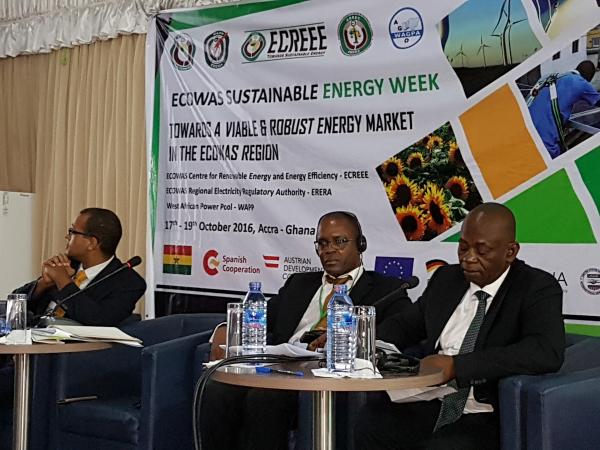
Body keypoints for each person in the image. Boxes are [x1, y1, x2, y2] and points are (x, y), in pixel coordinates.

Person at [354, 203, 565, 450]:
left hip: (486, 410)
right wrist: (359, 338)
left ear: (510, 252)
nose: (468, 258)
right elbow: (406, 324)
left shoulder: (535, 287)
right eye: (463, 247)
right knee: (371, 424)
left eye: (482, 250)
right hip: (433, 397)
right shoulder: (446, 279)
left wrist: (458, 366)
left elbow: (545, 350)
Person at [201, 211, 412, 450]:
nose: (329, 249)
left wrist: (350, 338)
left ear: (360, 245)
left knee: (264, 397)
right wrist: (225, 328)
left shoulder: (386, 289)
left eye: (340, 241)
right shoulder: (299, 283)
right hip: (280, 366)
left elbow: (400, 329)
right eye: (323, 243)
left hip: (329, 375)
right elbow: (261, 316)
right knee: (216, 390)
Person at [13, 207, 146, 326]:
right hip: (31, 339)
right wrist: (43, 284)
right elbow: (13, 305)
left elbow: (98, 321)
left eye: (72, 232)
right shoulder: (67, 265)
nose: (67, 236)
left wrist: (63, 281)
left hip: (76, 346)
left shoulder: (129, 283)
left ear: (92, 243)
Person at [527, 60, 600, 158]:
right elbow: (598, 101)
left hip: (525, 131)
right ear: (589, 78)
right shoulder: (581, 83)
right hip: (545, 143)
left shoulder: (548, 77)